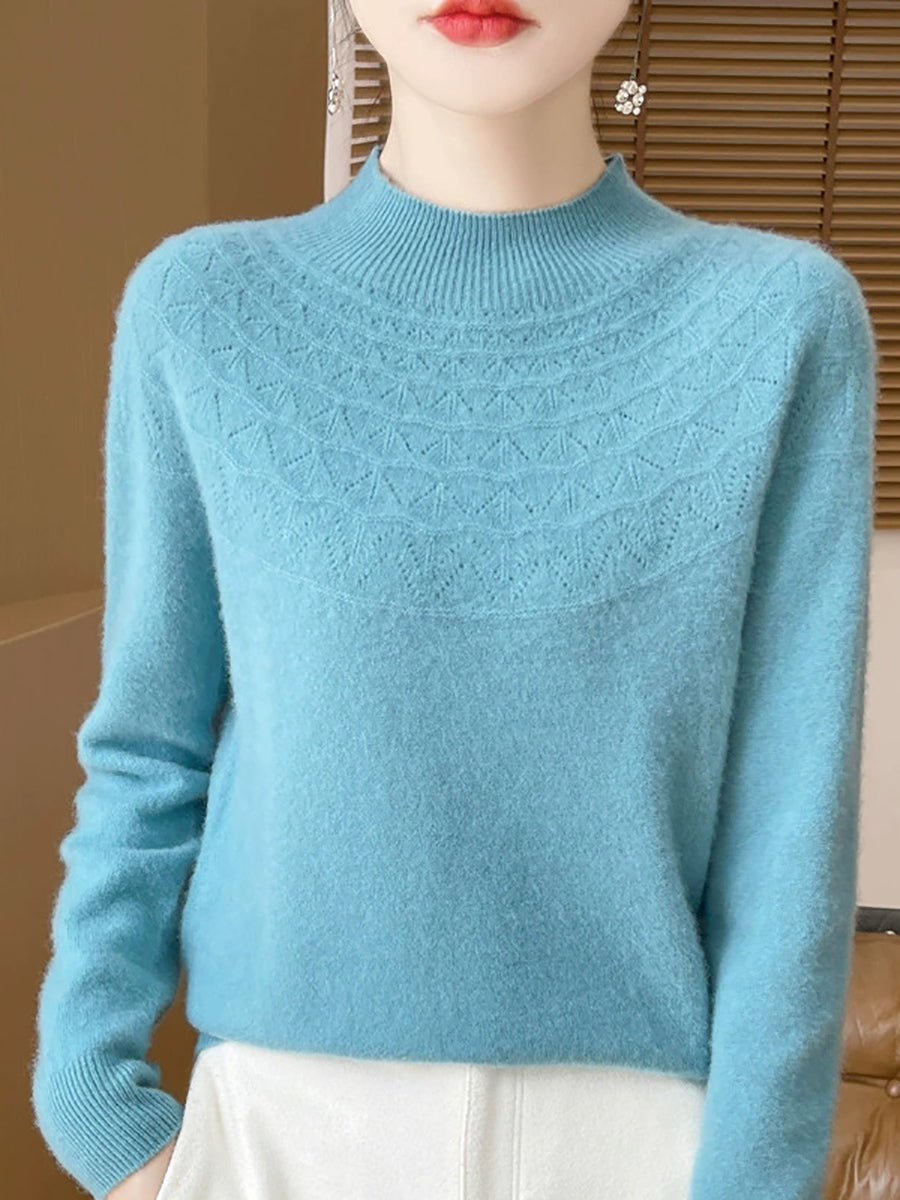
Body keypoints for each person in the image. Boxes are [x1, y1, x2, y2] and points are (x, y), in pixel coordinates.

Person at [30, 0, 878, 1197]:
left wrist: (756, 1181)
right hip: (277, 1138)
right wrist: (96, 1104)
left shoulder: (780, 322)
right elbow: (150, 748)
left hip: (645, 1149)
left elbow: (790, 826)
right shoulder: (204, 308)